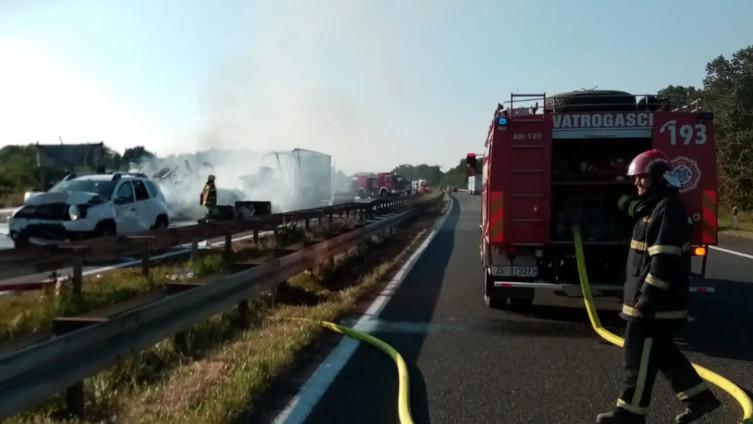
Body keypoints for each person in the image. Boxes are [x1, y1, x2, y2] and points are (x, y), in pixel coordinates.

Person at [597, 149, 720, 424]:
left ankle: (630, 414)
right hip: (654, 303)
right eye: (635, 178)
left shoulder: (668, 209)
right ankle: (700, 398)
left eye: (641, 178)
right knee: (663, 353)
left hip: (656, 305)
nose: (637, 183)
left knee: (637, 358)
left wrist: (648, 298)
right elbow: (634, 207)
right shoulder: (654, 206)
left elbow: (663, 259)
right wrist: (609, 195)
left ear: (658, 178)